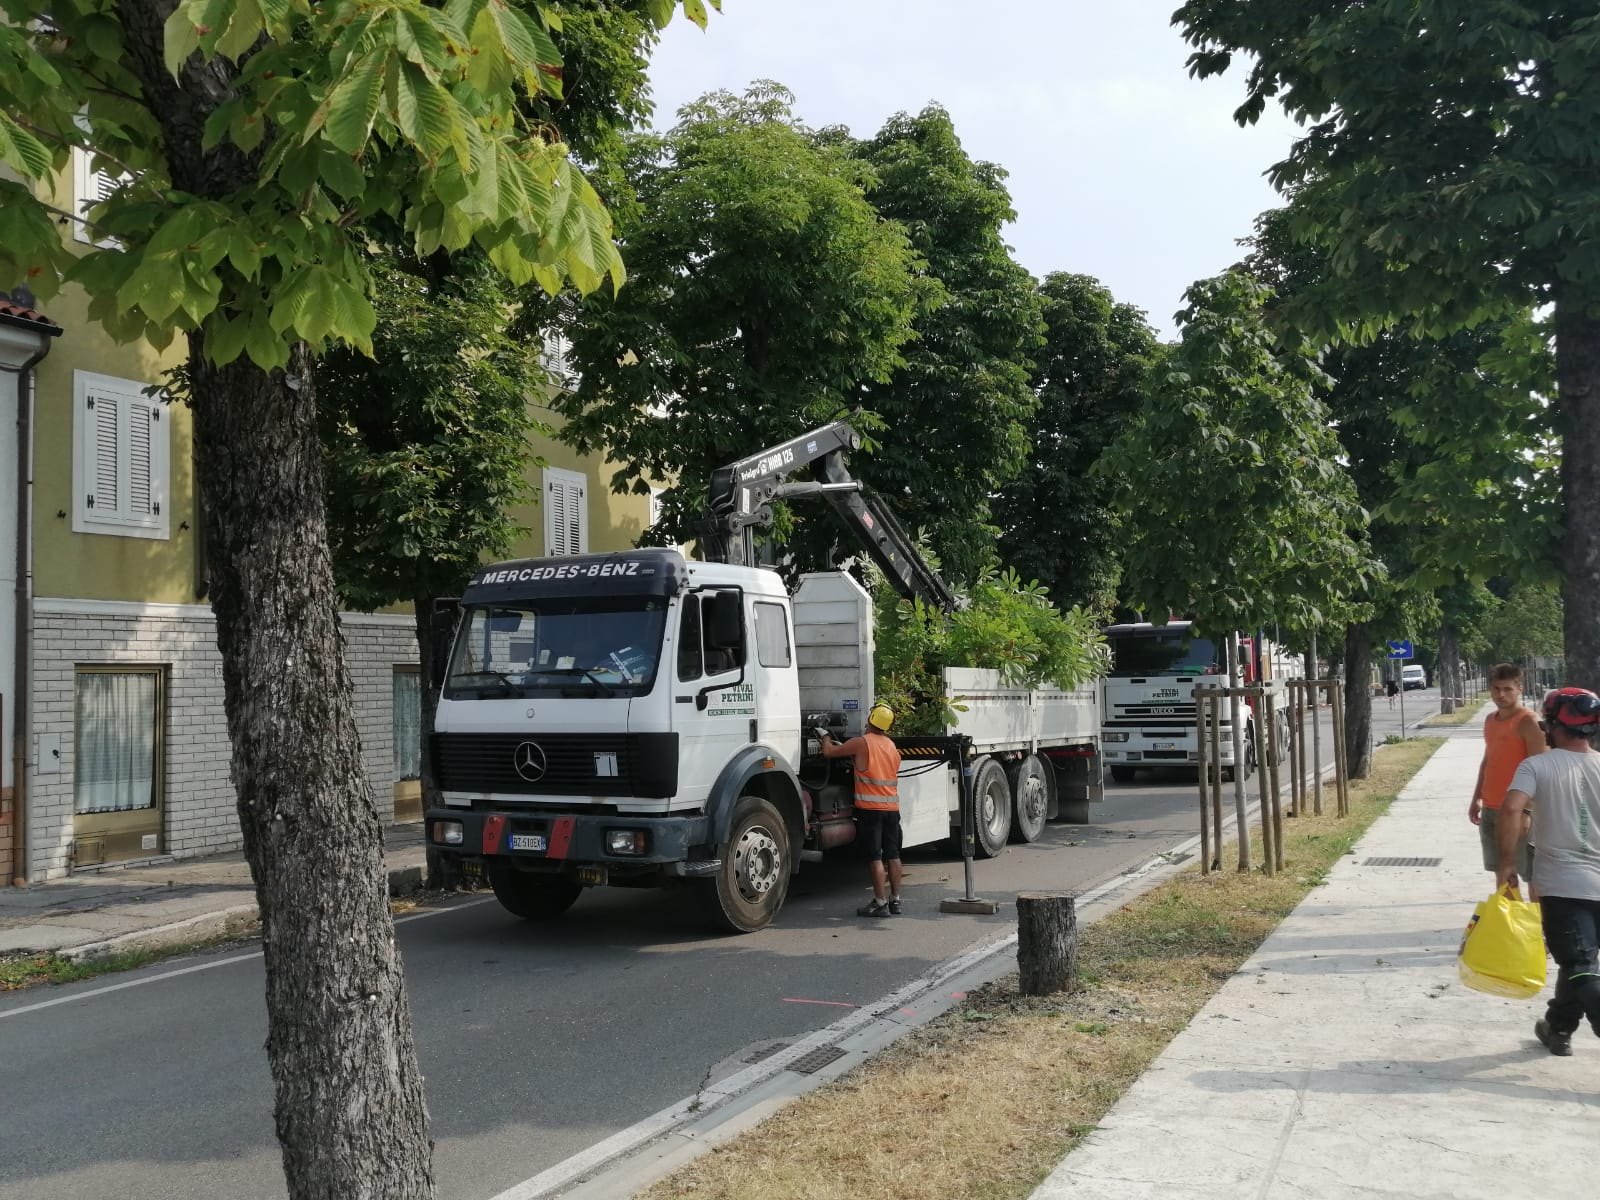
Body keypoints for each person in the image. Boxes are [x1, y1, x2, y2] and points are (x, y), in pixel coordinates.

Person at [1497, 687, 1600, 1056]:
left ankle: (1561, 1027)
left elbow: (1511, 810)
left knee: (1579, 965)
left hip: (1563, 886)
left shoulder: (1536, 766)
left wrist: (1507, 864)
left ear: (1552, 725)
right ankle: (1558, 1028)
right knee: (1581, 962)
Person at [819, 702, 904, 917]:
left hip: (871, 811)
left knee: (875, 856)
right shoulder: (891, 747)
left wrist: (824, 734)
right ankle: (895, 900)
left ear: (871, 720)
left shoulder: (861, 743)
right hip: (891, 808)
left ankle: (880, 902)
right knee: (893, 855)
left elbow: (829, 752)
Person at [1469, 663, 1543, 887]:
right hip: (1491, 807)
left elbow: (1541, 769)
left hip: (1519, 810)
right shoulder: (1491, 720)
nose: (1501, 694)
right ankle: (1510, 922)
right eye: (1496, 688)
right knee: (1502, 875)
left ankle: (1539, 922)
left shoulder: (1529, 722)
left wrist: (1528, 811)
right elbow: (1488, 760)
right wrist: (1476, 798)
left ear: (1519, 688)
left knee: (1533, 877)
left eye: (1507, 689)